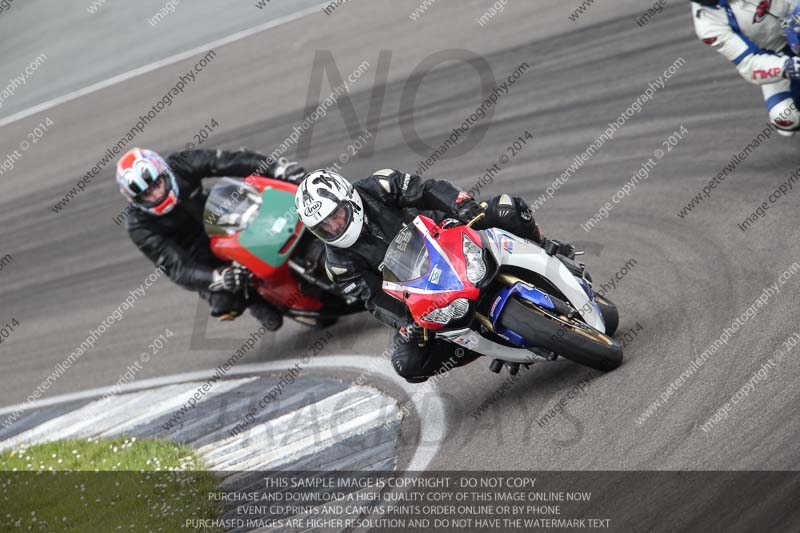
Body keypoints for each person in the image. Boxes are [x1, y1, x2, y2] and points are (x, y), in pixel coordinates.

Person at [294, 168, 574, 383]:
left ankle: (547, 249)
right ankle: (490, 345)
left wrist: (460, 204)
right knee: (407, 363)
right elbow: (375, 299)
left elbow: (427, 190)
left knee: (505, 207)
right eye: (324, 227)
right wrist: (406, 322)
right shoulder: (339, 265)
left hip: (450, 235)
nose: (334, 227)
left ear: (349, 200)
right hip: (424, 292)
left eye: (337, 216)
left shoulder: (379, 185)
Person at [117, 147, 305, 330]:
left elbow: (230, 161)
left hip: (218, 212)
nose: (157, 194)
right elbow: (177, 268)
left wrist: (277, 169)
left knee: (276, 189)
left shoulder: (181, 163)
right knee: (225, 304)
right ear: (136, 201)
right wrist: (217, 277)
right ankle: (253, 300)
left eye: (157, 184)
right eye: (147, 194)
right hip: (196, 252)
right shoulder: (138, 225)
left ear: (164, 171)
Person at [691, 0, 800, 135]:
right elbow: (748, 63)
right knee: (785, 117)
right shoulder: (707, 25)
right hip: (778, 55)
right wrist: (788, 67)